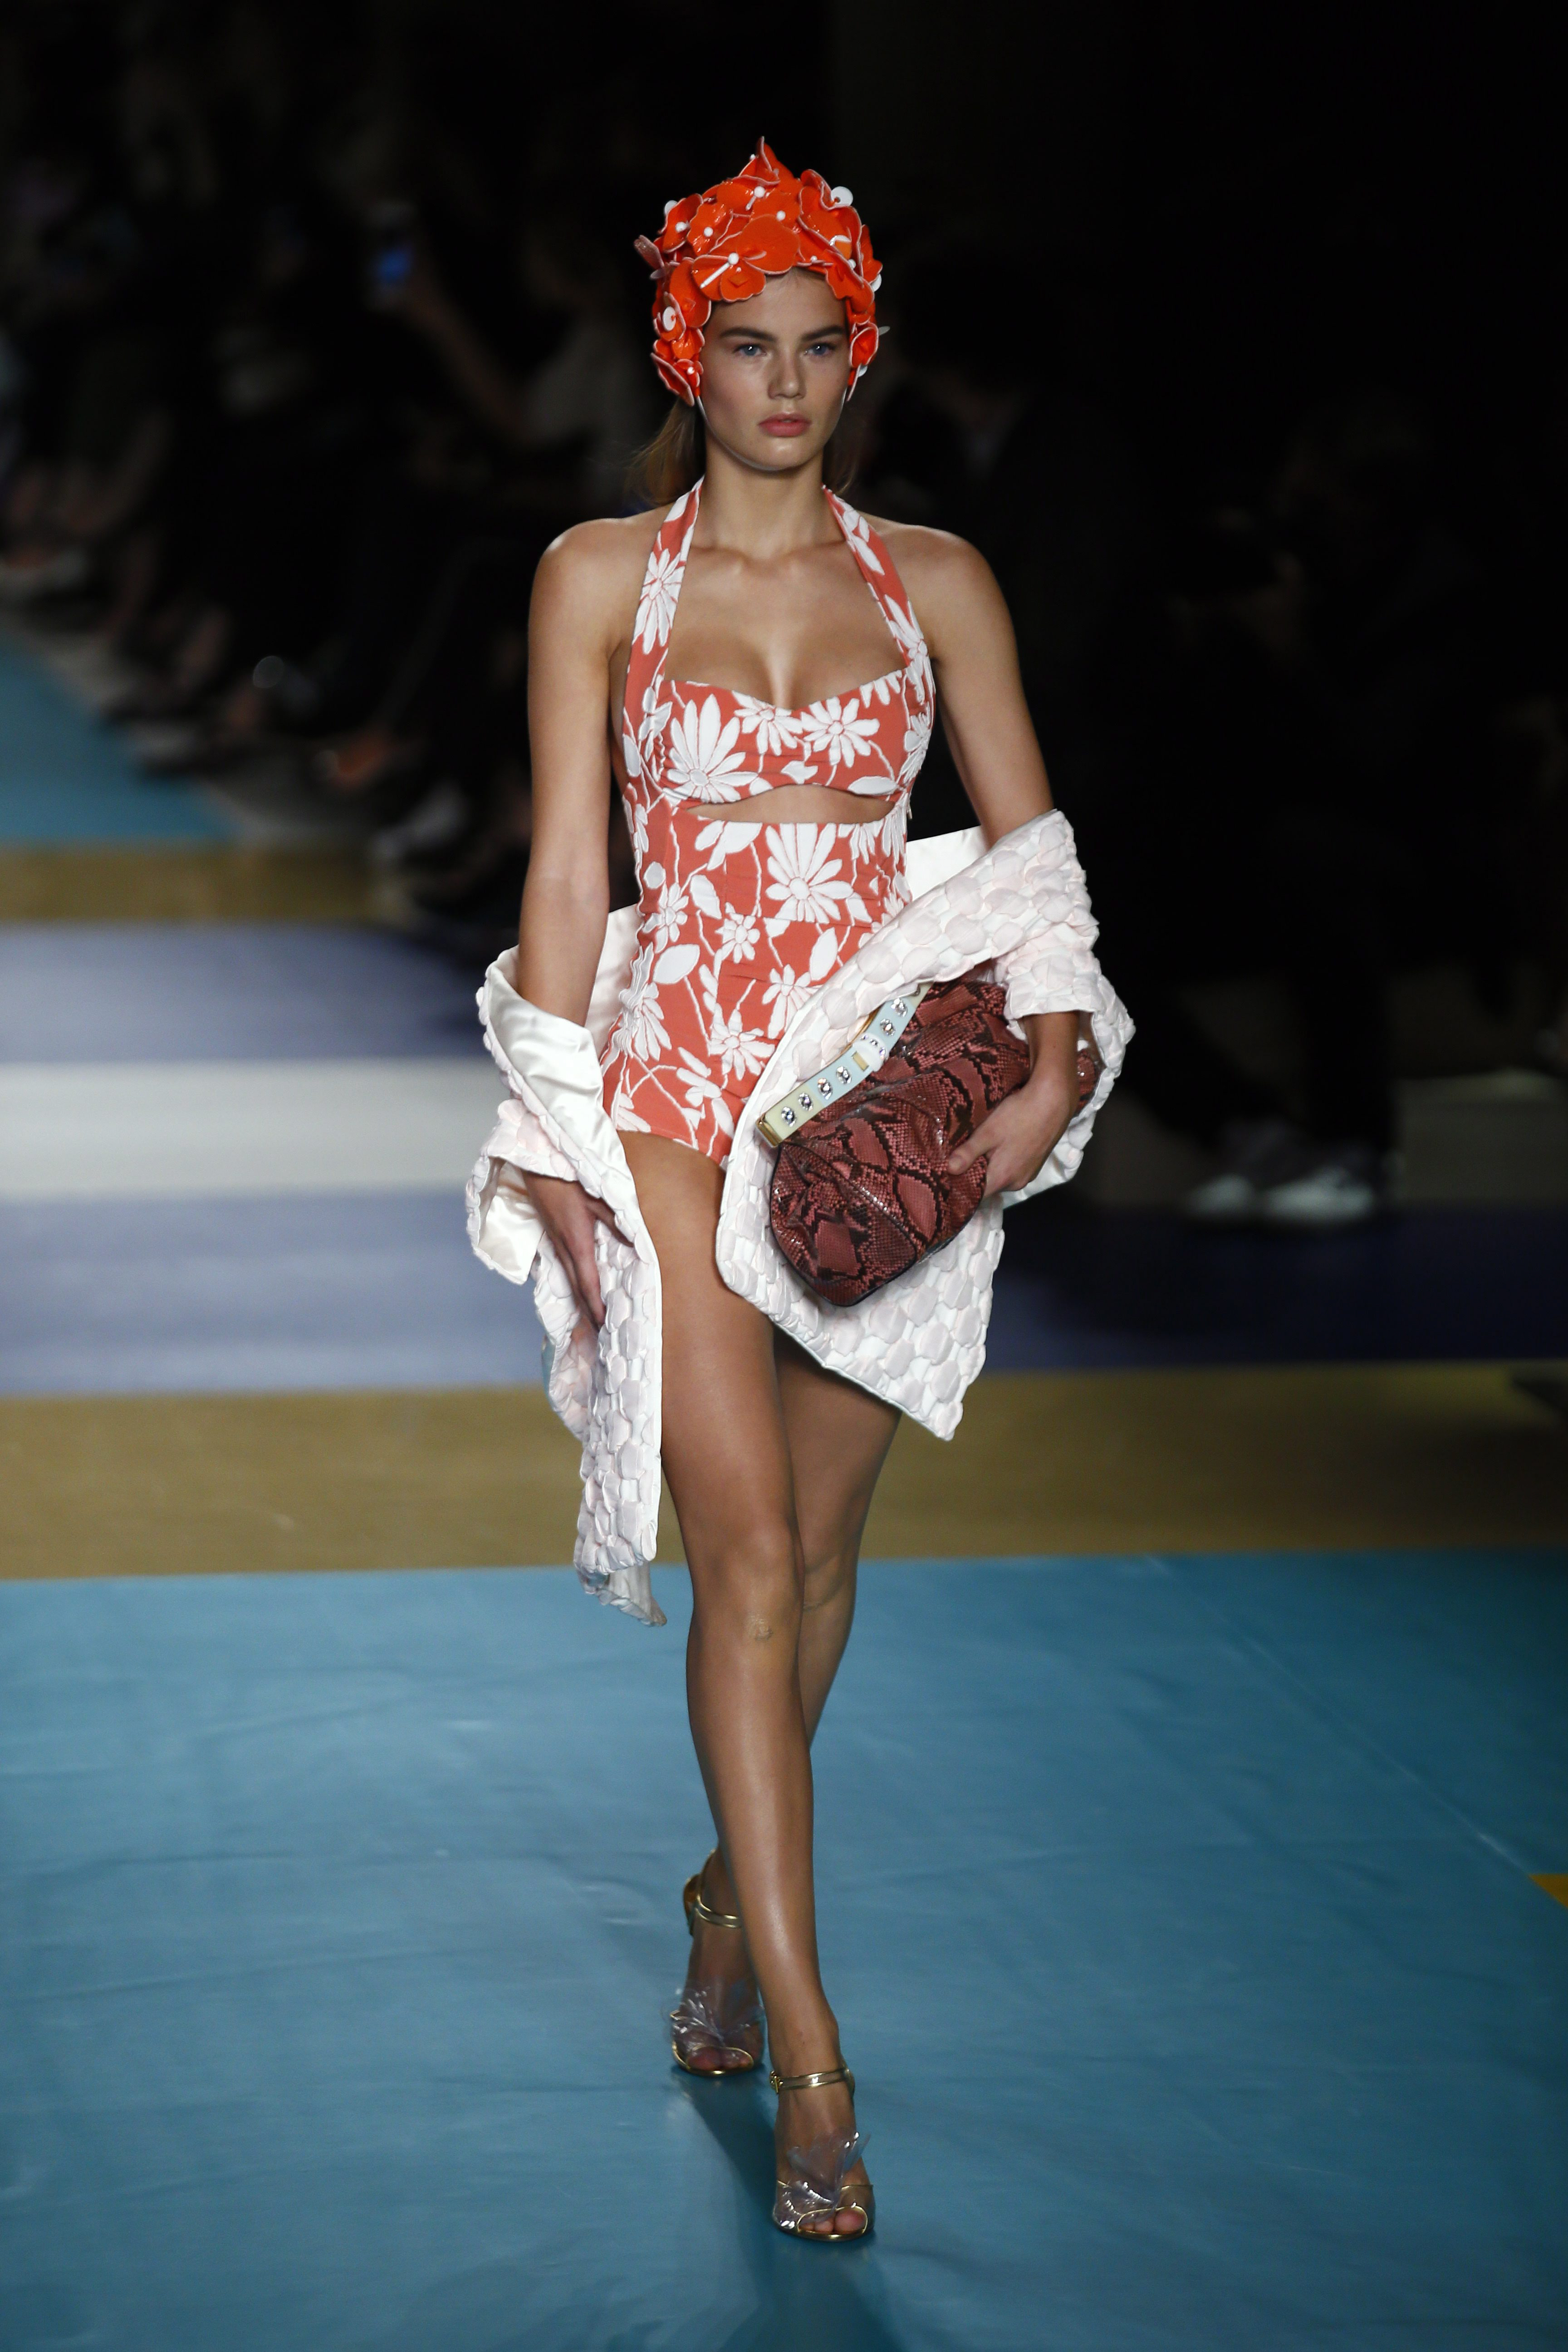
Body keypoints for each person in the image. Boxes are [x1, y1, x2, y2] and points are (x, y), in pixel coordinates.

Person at [466, 145, 1129, 2239]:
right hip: (674, 1095)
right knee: (747, 1562)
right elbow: (569, 869)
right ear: (689, 352)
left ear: (864, 357)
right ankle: (818, 2061)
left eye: (817, 345)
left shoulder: (938, 580)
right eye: (744, 344)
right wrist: (548, 1130)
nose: (781, 380)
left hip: (873, 1117)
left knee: (824, 1563)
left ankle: (722, 1897)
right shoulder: (597, 576)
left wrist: (1055, 1059)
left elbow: (1028, 857)